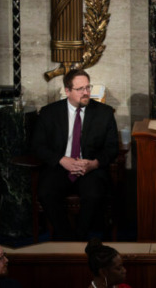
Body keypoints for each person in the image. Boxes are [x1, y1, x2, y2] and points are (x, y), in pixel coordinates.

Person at [32, 69, 119, 240]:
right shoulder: (49, 113)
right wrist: (61, 159)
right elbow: (37, 146)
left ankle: (80, 237)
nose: (86, 93)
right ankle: (67, 239)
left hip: (90, 169)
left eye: (88, 87)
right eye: (80, 89)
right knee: (46, 192)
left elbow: (111, 148)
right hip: (59, 167)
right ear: (67, 91)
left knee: (94, 193)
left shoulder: (104, 113)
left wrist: (93, 163)